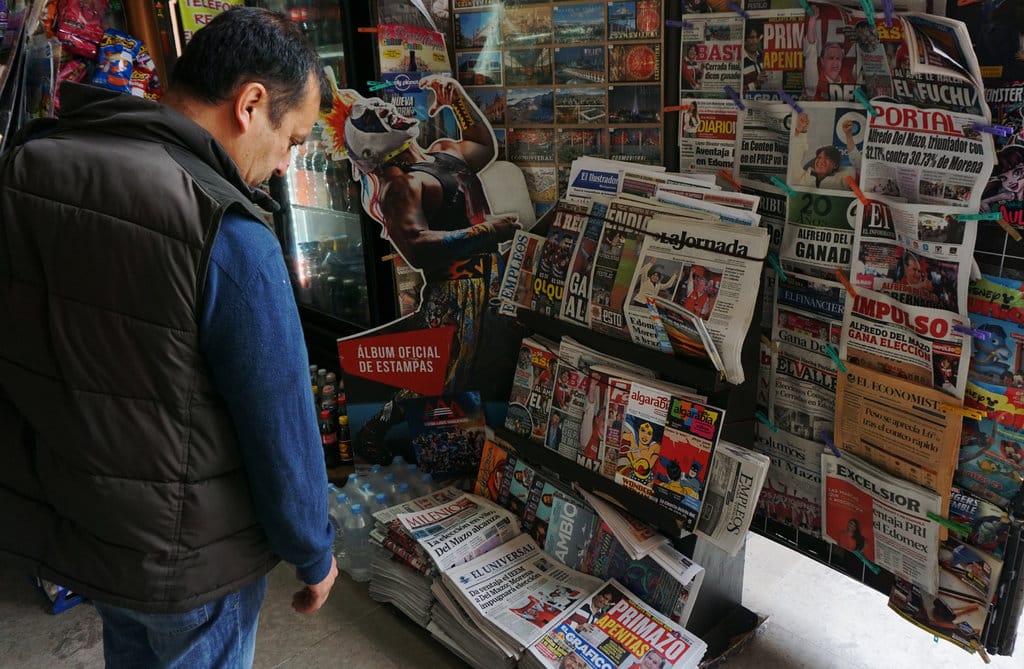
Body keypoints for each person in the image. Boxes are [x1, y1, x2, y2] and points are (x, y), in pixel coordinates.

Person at [0, 7, 337, 667]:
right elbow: (279, 418)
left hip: (89, 530)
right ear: (250, 104)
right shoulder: (229, 230)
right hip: (195, 560)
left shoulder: (30, 167)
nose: (281, 165)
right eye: (292, 139)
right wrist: (313, 549)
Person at [333, 75, 522, 465]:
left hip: (490, 280)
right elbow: (418, 249)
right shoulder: (398, 186)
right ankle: (380, 432)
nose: (381, 107)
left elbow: (484, 147)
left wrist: (456, 98)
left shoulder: (441, 153)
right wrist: (488, 231)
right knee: (441, 379)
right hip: (454, 293)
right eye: (370, 117)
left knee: (484, 370)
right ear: (371, 144)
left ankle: (472, 457)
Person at [790, 113, 862, 190]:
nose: (821, 161)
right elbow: (795, 155)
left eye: (827, 158)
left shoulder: (843, 180)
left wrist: (848, 135)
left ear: (835, 165)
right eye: (819, 157)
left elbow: (860, 167)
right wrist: (801, 131)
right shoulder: (802, 177)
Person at [742, 25, 765, 92]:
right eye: (751, 38)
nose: (755, 41)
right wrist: (755, 84)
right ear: (744, 40)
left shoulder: (763, 56)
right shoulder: (740, 60)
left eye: (757, 37)